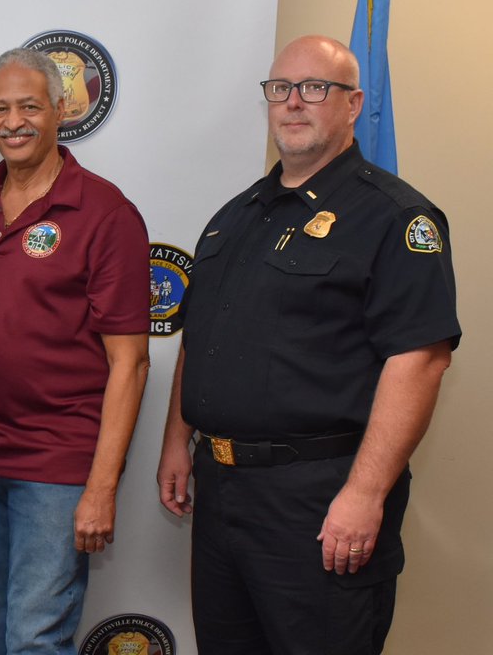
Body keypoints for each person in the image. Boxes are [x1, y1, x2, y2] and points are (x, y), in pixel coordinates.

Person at [156, 36, 460, 654]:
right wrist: (176, 441)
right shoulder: (234, 217)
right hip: (222, 491)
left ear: (353, 105)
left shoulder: (395, 218)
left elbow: (420, 360)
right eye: (279, 90)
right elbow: (200, 338)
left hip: (319, 497)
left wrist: (365, 493)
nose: (293, 104)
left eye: (314, 89)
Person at [0, 48, 151, 655]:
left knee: (35, 636)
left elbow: (130, 363)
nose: (13, 121)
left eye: (29, 105)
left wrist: (101, 487)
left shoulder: (106, 212)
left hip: (56, 460)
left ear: (60, 109)